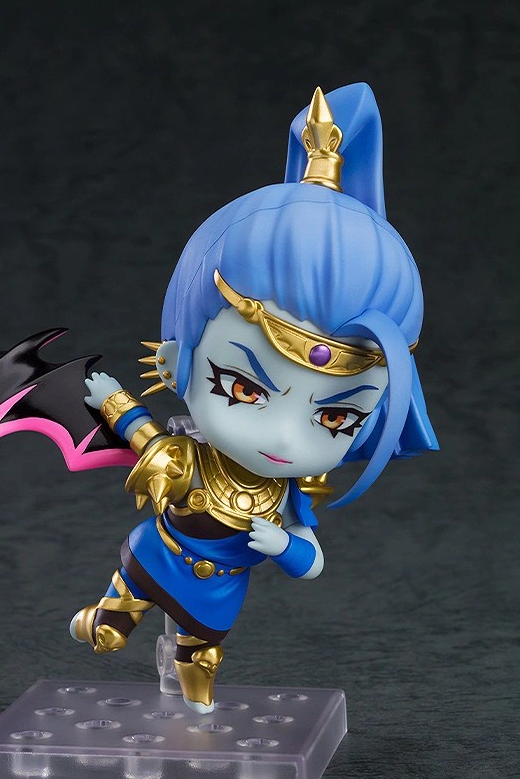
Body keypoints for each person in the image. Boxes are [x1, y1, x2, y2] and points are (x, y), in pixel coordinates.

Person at [68, 84, 438, 713]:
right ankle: (103, 619)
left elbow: (311, 560)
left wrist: (284, 546)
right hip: (159, 551)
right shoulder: (193, 456)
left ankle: (194, 689)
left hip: (222, 586)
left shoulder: (287, 492)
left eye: (337, 415)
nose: (286, 438)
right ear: (177, 359)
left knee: (201, 650)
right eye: (244, 387)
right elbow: (145, 437)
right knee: (113, 619)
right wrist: (111, 402)